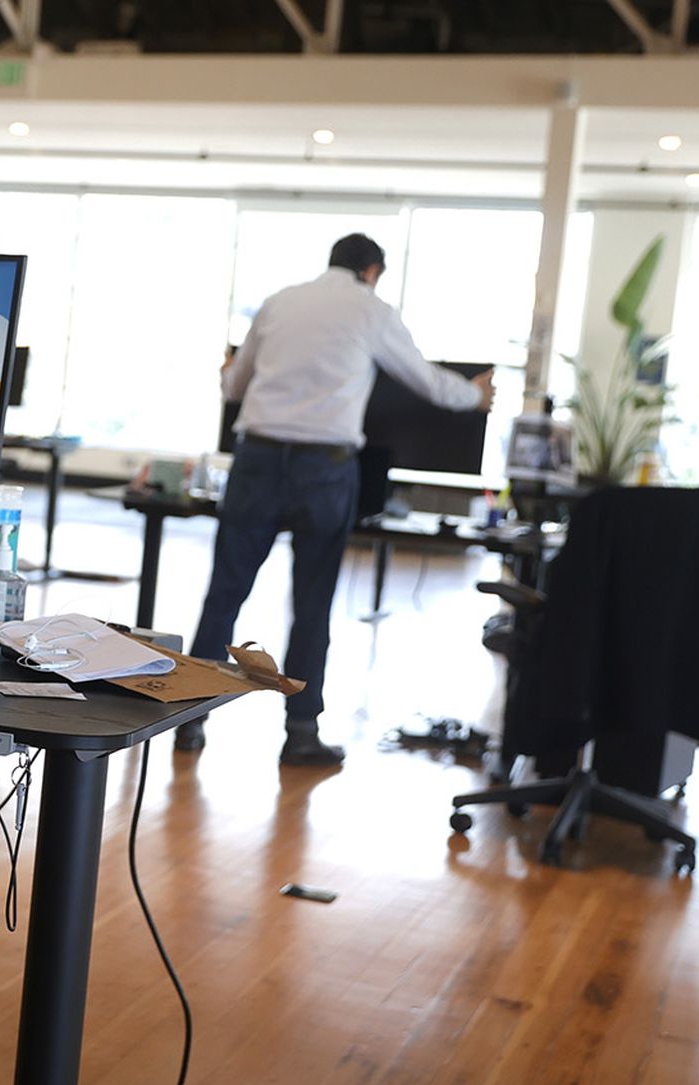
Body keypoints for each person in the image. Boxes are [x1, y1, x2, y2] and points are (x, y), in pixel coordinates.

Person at [179, 234, 493, 766]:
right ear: (372, 271)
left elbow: (234, 388)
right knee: (312, 604)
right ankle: (301, 734)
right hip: (324, 470)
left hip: (257, 459)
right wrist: (476, 395)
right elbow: (429, 384)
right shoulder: (372, 310)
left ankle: (187, 721)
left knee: (225, 592)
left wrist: (228, 373)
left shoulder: (280, 301)